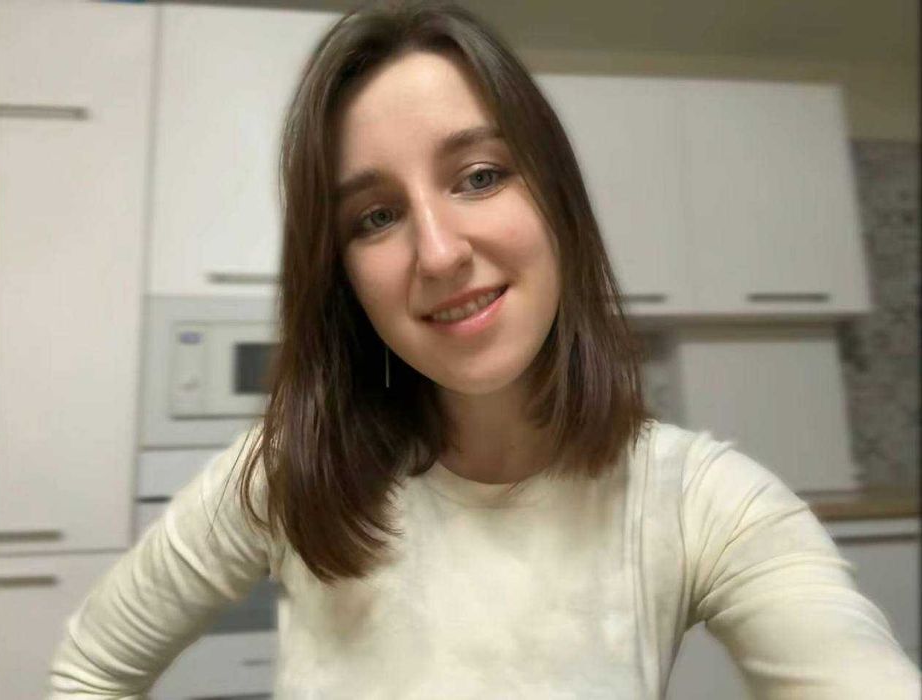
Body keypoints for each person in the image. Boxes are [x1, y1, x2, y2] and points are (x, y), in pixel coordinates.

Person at [50, 2, 920, 697]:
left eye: (479, 176)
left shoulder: (703, 503)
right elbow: (90, 672)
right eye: (375, 217)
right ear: (341, 274)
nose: (437, 253)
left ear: (556, 201)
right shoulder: (286, 472)